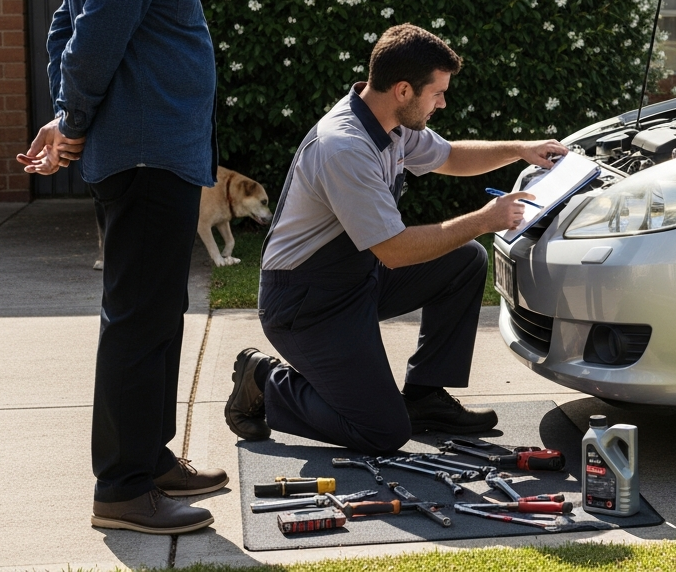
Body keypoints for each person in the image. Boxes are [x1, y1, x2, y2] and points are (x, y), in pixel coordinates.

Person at [17, 0, 237, 535]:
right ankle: (122, 491)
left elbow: (65, 27)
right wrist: (74, 122)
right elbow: (93, 37)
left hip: (148, 152)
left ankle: (146, 457)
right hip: (146, 152)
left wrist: (65, 114)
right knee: (140, 318)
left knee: (153, 312)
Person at [225, 24, 565, 455]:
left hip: (355, 279)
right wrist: (484, 219)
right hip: (306, 302)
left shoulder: (392, 125)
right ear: (403, 90)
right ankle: (263, 381)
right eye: (437, 93)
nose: (443, 102)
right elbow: (397, 250)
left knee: (464, 261)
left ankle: (424, 397)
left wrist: (519, 148)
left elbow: (450, 156)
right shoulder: (343, 147)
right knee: (382, 431)